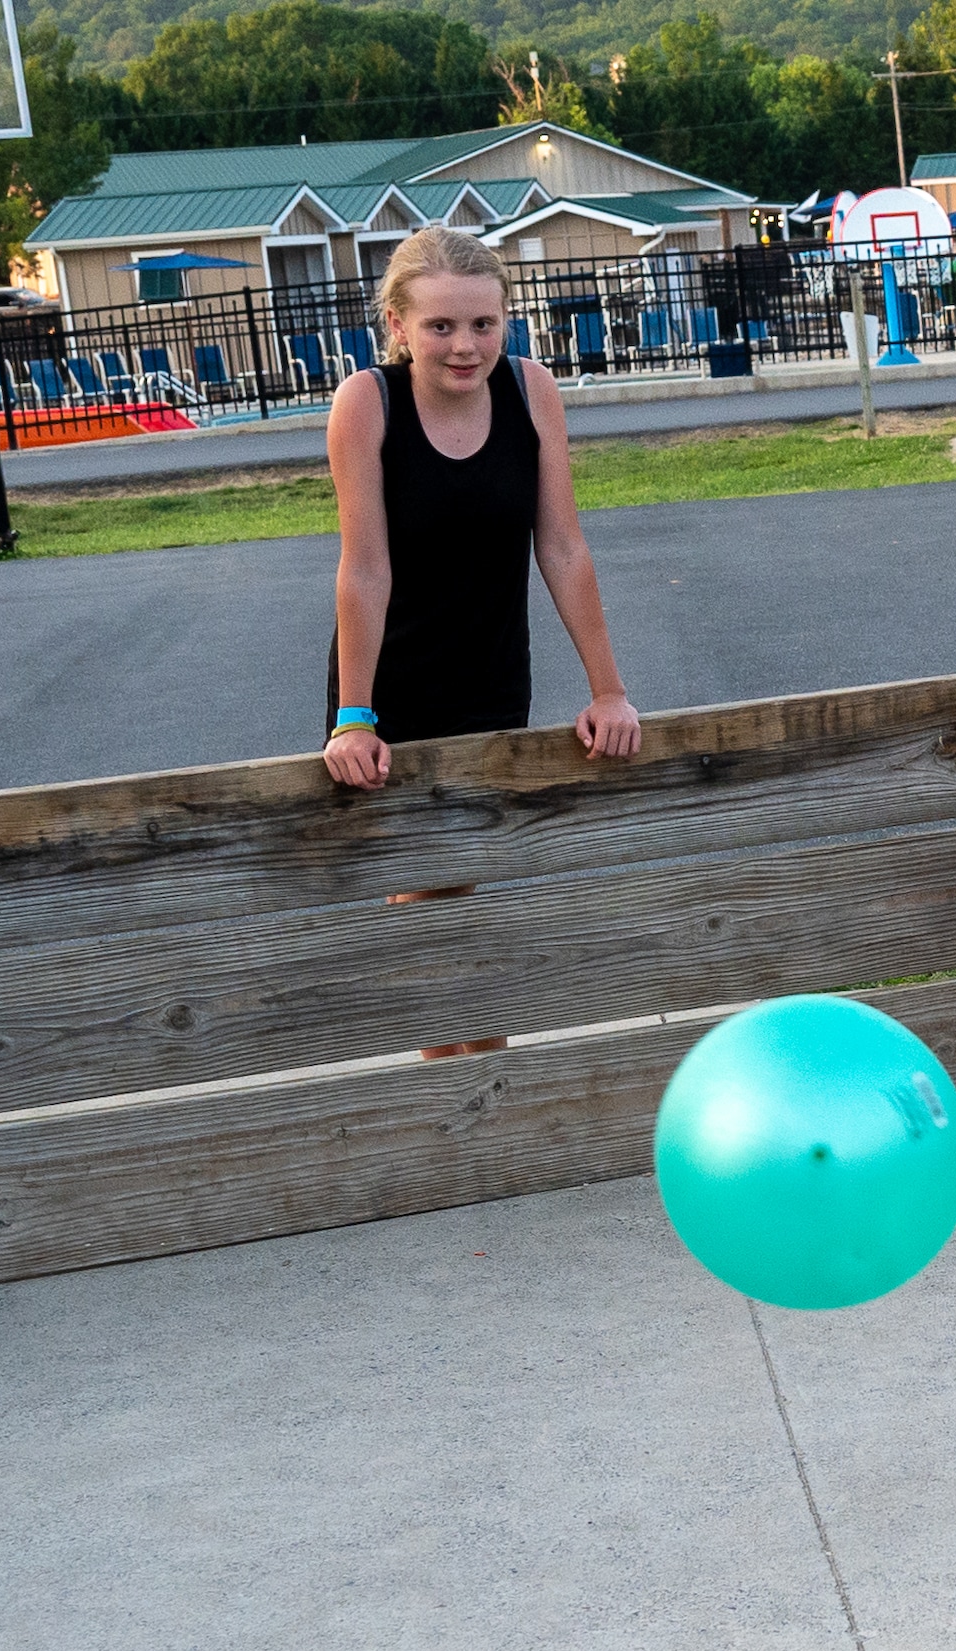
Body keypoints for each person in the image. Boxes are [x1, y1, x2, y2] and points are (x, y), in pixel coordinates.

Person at [321, 227, 639, 1059]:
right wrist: (356, 713)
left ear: (506, 321)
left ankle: (484, 1076)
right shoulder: (367, 403)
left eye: (483, 325)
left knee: (470, 883)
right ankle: (448, 1085)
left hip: (492, 672)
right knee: (421, 890)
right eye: (440, 327)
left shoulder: (533, 391)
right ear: (396, 324)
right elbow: (365, 570)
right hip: (391, 681)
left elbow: (563, 546)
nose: (465, 346)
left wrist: (609, 689)